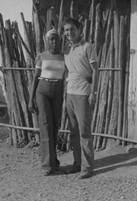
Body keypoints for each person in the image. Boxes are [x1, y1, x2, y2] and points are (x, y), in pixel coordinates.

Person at [62, 17, 98, 179]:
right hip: (70, 94)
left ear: (79, 30)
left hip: (83, 94)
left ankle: (87, 168)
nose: (69, 32)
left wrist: (93, 92)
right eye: (66, 30)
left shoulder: (87, 47)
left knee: (84, 132)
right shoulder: (66, 49)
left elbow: (95, 70)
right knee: (74, 132)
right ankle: (77, 164)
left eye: (72, 29)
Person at [29, 29, 65, 176]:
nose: (54, 42)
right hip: (42, 91)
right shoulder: (42, 56)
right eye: (51, 39)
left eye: (56, 39)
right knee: (45, 126)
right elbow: (36, 77)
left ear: (60, 40)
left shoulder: (65, 57)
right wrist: (31, 99)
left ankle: (54, 162)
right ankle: (46, 165)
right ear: (47, 41)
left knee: (55, 125)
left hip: (57, 92)